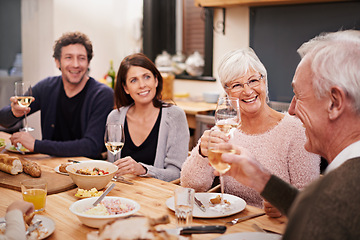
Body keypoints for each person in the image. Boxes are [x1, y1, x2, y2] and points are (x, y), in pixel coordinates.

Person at [218, 30, 360, 239]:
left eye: (298, 96)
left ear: (334, 103)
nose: (291, 110)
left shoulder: (337, 195)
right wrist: (263, 180)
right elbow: (315, 212)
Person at [180, 47, 320, 217]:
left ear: (264, 82)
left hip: (274, 228)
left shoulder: (296, 131)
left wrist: (285, 204)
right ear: (227, 92)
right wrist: (202, 153)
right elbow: (190, 186)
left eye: (253, 81)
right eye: (237, 85)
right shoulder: (224, 130)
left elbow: (310, 199)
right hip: (230, 222)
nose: (247, 91)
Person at [0, 31, 114, 159]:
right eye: (68, 57)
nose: (75, 64)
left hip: (88, 171)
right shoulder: (47, 87)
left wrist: (36, 145)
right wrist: (14, 113)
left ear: (88, 62)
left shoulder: (102, 94)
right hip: (51, 165)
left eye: (81, 58)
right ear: (57, 62)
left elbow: (91, 146)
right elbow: (3, 120)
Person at [106, 53, 189, 182]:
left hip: (156, 197)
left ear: (156, 80)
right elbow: (113, 169)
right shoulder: (115, 118)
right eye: (134, 80)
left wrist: (143, 170)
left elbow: (177, 173)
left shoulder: (175, 116)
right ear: (126, 88)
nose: (142, 85)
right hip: (121, 194)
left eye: (146, 77)